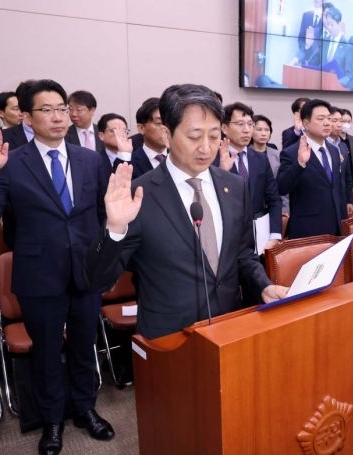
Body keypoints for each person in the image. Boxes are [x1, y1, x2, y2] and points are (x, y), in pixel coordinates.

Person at [0, 79, 113, 455]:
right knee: (47, 352)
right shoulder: (11, 161)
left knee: (85, 347)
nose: (57, 116)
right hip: (39, 274)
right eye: (46, 110)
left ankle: (85, 408)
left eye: (62, 108)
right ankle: (52, 421)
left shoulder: (89, 158)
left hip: (85, 271)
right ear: (28, 119)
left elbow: (102, 214)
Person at [84, 83, 288, 339]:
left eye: (214, 136)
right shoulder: (138, 195)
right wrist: (114, 230)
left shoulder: (234, 186)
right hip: (170, 340)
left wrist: (263, 286)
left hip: (229, 329)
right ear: (167, 135)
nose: (205, 147)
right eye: (194, 137)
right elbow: (96, 281)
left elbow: (242, 254)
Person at [277, 99, 347, 238]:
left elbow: (338, 188)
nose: (327, 123)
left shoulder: (334, 151)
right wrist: (300, 164)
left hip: (335, 227)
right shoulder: (292, 152)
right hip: (307, 230)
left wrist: (343, 222)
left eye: (329, 118)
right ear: (306, 123)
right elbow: (281, 187)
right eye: (321, 119)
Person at [217, 102, 282, 250]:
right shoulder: (214, 159)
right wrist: (222, 172)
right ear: (224, 128)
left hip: (259, 239)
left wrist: (275, 235)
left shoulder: (260, 159)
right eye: (240, 124)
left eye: (250, 124)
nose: (247, 130)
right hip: (226, 240)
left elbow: (274, 198)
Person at [327, 107, 353, 217]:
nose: (339, 124)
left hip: (342, 200)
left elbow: (347, 176)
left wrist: (349, 200)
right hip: (326, 202)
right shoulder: (322, 146)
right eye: (334, 121)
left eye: (341, 121)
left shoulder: (342, 146)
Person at [131, 97, 168, 177]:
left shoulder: (181, 159)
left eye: (169, 122)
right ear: (141, 128)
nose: (166, 128)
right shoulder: (130, 163)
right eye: (159, 123)